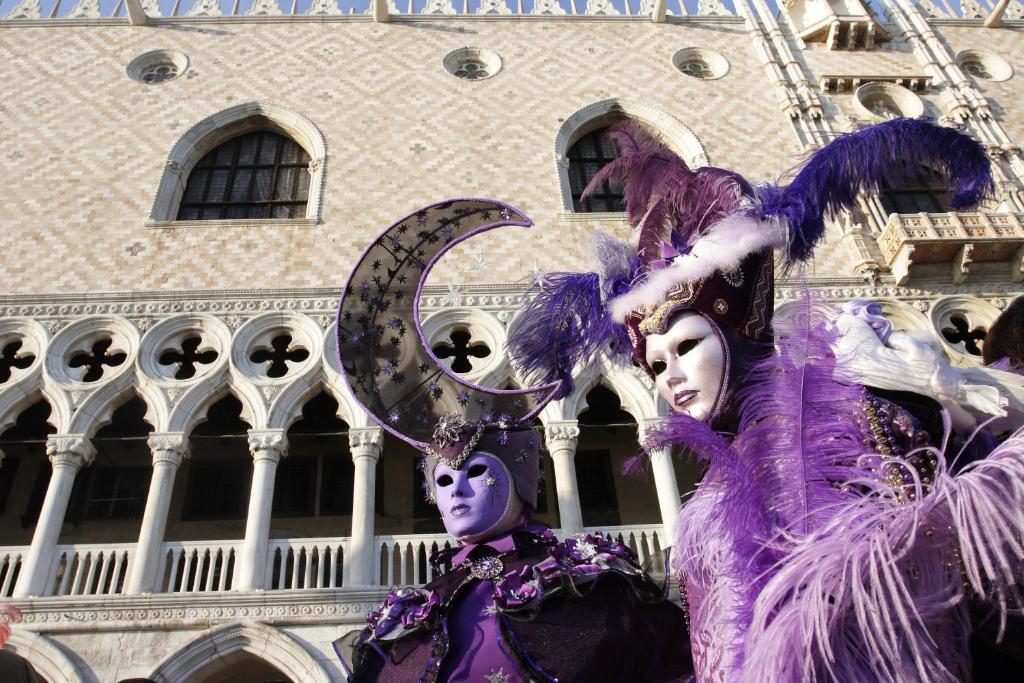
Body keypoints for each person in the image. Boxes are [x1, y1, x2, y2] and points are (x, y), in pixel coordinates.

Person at [508, 118, 1024, 682]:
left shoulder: (849, 418)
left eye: (686, 347)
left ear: (737, 334)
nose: (671, 376)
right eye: (655, 365)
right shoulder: (711, 489)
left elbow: (942, 567)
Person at [332, 198, 694, 682]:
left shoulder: (593, 590)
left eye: (477, 472)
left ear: (522, 480)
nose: (456, 491)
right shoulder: (408, 626)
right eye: (442, 480)